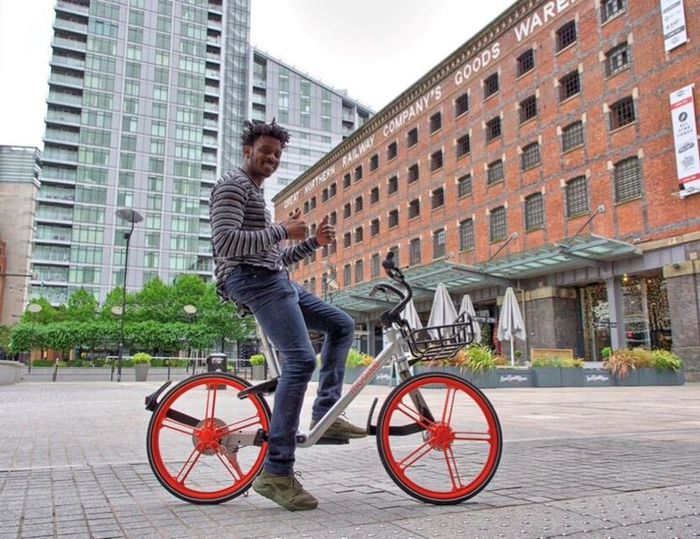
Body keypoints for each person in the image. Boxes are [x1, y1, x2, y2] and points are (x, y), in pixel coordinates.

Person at [210, 119, 366, 511]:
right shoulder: (232, 185)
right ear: (248, 150)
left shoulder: (256, 194)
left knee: (341, 325)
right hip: (251, 281)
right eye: (265, 151)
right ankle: (277, 471)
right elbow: (226, 242)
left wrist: (311, 242)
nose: (272, 158)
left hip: (271, 277)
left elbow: (273, 256)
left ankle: (326, 415)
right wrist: (282, 230)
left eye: (277, 153)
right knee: (300, 360)